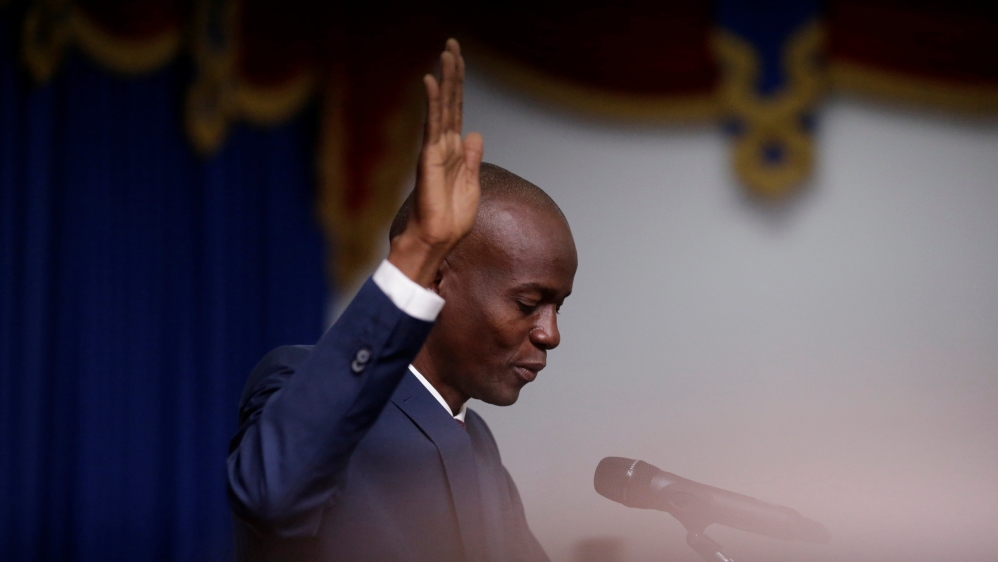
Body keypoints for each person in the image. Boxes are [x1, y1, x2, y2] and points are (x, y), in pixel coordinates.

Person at [227, 38, 577, 562]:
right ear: (436, 279)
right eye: (529, 304)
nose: (550, 333)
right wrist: (418, 249)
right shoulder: (305, 381)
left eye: (558, 308)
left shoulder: (476, 441)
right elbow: (270, 493)